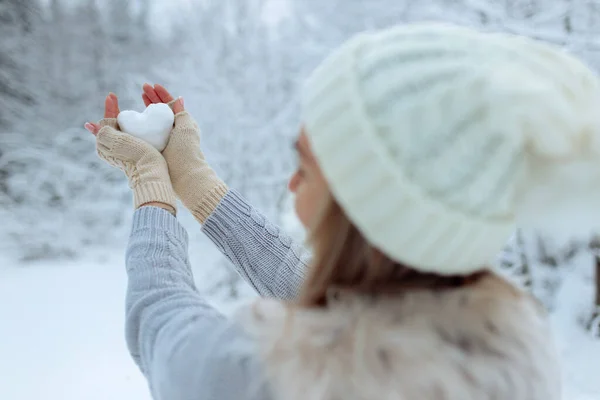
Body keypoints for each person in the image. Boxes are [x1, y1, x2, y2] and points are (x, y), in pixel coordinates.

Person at [83, 23, 600, 399]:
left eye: (304, 167)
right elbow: (333, 298)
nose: (289, 183)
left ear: (362, 202)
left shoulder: (264, 375)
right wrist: (197, 184)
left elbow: (159, 321)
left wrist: (149, 185)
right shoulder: (510, 346)